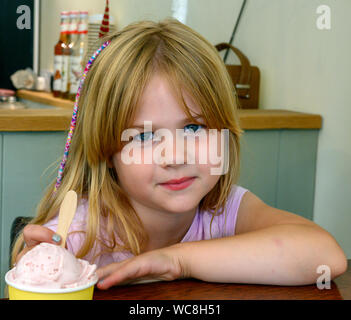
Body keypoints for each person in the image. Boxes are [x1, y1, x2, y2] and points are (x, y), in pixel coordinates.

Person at [11, 18, 347, 289]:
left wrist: (178, 261)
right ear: (107, 151)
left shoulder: (224, 210)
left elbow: (325, 256)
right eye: (143, 135)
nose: (175, 156)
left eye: (193, 128)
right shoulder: (82, 233)